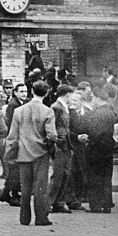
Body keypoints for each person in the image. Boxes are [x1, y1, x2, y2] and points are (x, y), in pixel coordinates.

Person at [5, 80, 57, 226]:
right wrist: (50, 149)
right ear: (46, 93)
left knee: (25, 187)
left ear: (32, 91)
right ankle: (41, 217)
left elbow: (12, 136)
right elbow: (52, 135)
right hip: (41, 153)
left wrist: (10, 154)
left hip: (23, 152)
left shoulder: (18, 111)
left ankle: (24, 217)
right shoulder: (48, 111)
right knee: (40, 187)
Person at [77, 87, 117, 213]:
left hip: (95, 150)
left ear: (98, 98)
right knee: (106, 177)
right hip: (108, 150)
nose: (93, 100)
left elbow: (94, 132)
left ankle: (95, 205)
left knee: (94, 177)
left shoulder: (95, 114)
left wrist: (88, 140)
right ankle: (106, 204)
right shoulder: (111, 113)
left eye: (94, 98)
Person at [0, 83, 28, 206]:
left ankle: (5, 193)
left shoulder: (23, 103)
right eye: (21, 91)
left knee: (14, 170)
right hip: (16, 140)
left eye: (26, 91)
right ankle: (14, 195)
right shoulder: (13, 105)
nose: (24, 94)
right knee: (15, 169)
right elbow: (12, 124)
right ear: (15, 92)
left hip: (20, 140)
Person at [48, 85, 75, 213]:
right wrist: (56, 141)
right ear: (67, 94)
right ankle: (49, 202)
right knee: (57, 175)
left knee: (65, 174)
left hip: (66, 145)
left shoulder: (64, 107)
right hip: (59, 145)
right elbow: (51, 126)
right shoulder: (56, 107)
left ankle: (59, 202)